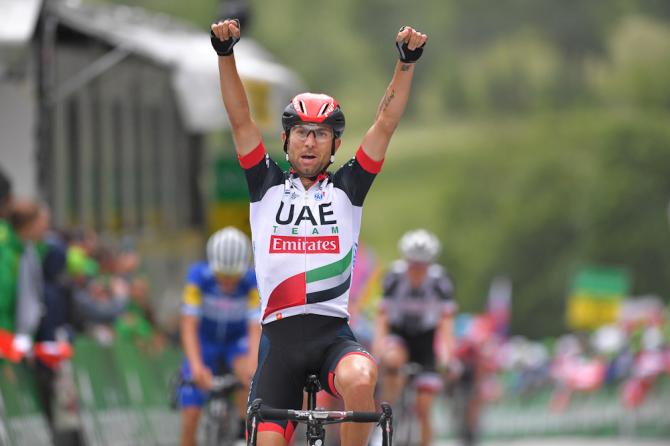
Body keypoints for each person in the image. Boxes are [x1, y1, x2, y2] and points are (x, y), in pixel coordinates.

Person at [210, 18, 427, 446]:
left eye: (321, 135)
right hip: (280, 343)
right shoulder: (265, 183)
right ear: (287, 140)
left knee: (363, 378)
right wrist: (226, 55)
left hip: (333, 336)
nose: (311, 143)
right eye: (303, 134)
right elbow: (240, 119)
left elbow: (384, 123)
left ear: (334, 145)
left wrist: (406, 64)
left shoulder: (348, 188)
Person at [373, 229, 457, 446]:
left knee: (424, 407)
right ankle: (386, 412)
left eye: (423, 265)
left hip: (426, 341)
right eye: (413, 264)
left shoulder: (440, 280)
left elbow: (446, 321)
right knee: (392, 360)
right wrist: (378, 348)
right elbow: (382, 316)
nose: (417, 270)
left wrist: (448, 355)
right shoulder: (394, 276)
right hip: (399, 333)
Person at [178, 226, 260, 446]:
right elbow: (188, 324)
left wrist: (253, 362)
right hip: (205, 343)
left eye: (233, 276)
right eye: (222, 275)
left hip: (236, 342)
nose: (227, 282)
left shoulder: (252, 280)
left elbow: (255, 327)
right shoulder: (198, 276)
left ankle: (243, 435)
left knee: (248, 374)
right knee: (190, 416)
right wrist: (195, 366)